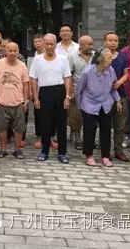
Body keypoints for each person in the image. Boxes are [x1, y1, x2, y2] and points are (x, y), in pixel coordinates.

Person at [75, 48, 122, 167]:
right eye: (109, 58)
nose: (111, 60)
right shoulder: (87, 72)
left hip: (105, 104)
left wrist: (117, 100)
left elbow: (113, 87)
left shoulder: (111, 70)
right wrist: (80, 106)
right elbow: (79, 90)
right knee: (89, 130)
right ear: (100, 59)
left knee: (106, 130)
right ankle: (89, 155)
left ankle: (105, 156)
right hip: (89, 104)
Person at [30, 33, 72, 163]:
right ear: (43, 44)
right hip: (44, 92)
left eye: (51, 44)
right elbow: (33, 79)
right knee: (45, 123)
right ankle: (44, 151)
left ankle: (62, 153)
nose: (49, 46)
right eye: (46, 44)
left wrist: (67, 96)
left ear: (55, 44)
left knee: (61, 124)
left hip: (59, 91)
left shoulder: (63, 59)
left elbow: (67, 78)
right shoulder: (37, 60)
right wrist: (35, 98)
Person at [0, 42, 29, 159]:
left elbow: (26, 84)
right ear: (5, 52)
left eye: (15, 51)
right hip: (2, 101)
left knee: (19, 127)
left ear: (18, 52)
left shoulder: (22, 65)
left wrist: (26, 100)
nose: (12, 53)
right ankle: (3, 149)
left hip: (18, 102)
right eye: (10, 51)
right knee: (1, 127)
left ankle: (17, 150)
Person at [103, 32, 130, 162]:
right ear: (105, 42)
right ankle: (105, 151)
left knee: (120, 126)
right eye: (110, 40)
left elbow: (126, 73)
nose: (113, 42)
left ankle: (119, 151)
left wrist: (119, 82)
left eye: (115, 40)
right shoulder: (100, 57)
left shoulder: (123, 57)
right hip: (104, 97)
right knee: (105, 126)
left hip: (120, 95)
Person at [67, 35, 94, 151]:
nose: (91, 46)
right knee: (76, 117)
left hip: (92, 92)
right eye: (89, 44)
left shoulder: (96, 56)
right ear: (81, 45)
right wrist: (71, 92)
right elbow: (68, 75)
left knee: (91, 118)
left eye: (92, 44)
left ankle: (90, 140)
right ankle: (78, 139)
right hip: (77, 90)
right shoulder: (72, 56)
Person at [27, 33, 44, 150]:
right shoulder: (31, 58)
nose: (38, 43)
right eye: (35, 42)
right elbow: (29, 76)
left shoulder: (52, 55)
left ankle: (50, 137)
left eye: (40, 41)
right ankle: (39, 137)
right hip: (36, 89)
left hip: (47, 88)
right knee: (38, 115)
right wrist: (30, 91)